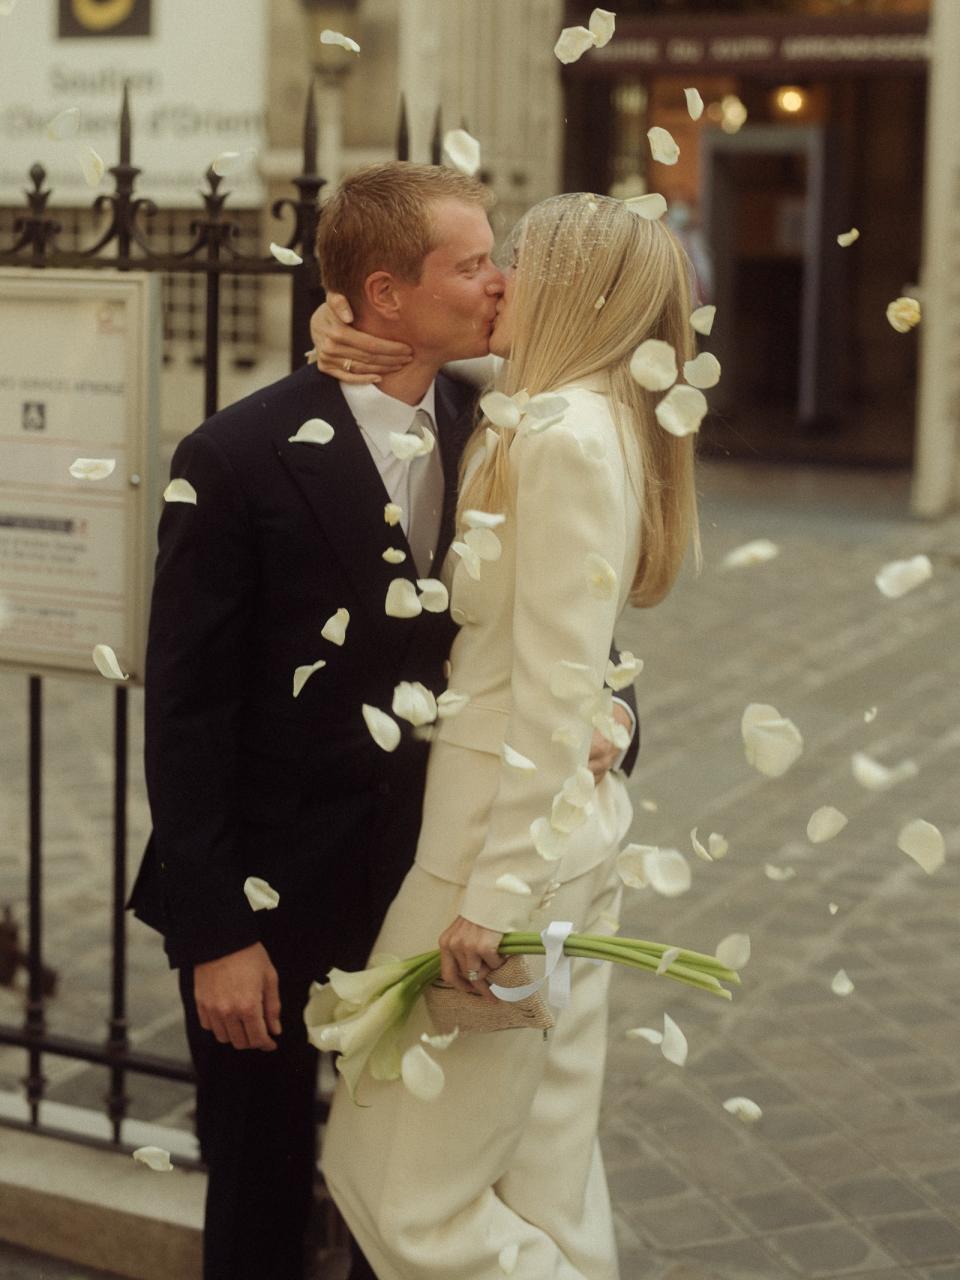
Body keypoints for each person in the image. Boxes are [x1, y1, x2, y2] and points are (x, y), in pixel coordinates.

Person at [127, 163, 638, 1280]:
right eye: (471, 263)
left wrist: (613, 719)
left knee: (421, 1182)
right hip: (272, 900)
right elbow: (184, 712)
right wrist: (218, 932)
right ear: (385, 294)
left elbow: (567, 630)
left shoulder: (506, 424)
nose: (500, 281)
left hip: (434, 884)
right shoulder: (235, 456)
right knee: (260, 1183)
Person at [317, 192, 700, 1280]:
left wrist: (497, 892)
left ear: (566, 287)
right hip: (555, 839)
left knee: (400, 1189)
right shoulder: (565, 412)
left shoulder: (567, 435)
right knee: (545, 1170)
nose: (496, 283)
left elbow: (556, 689)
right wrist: (334, 331)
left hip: (500, 847)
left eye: (513, 263)